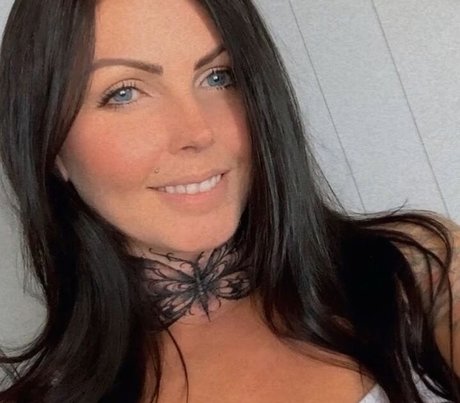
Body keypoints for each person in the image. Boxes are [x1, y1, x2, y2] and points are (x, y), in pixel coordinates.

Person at [0, 0, 459, 402]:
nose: (198, 131)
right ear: (52, 146)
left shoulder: (417, 272)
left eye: (219, 76)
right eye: (124, 92)